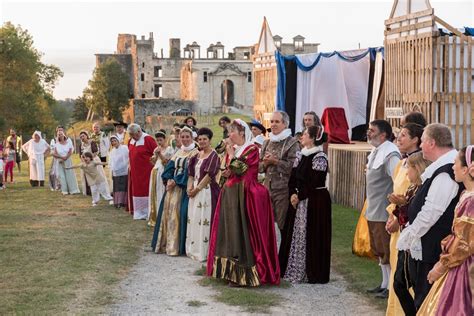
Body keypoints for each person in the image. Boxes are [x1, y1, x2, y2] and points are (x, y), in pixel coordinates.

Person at [396, 123, 463, 313]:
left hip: (434, 245)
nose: (422, 146)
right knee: (417, 296)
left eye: (423, 141)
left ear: (432, 143)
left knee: (426, 300)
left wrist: (409, 235)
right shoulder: (442, 167)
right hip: (427, 242)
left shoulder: (446, 171)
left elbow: (431, 212)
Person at [206, 119, 280, 286]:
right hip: (231, 194)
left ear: (241, 134)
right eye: (229, 132)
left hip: (246, 195)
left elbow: (241, 169)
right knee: (230, 232)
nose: (229, 135)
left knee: (243, 232)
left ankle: (243, 274)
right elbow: (229, 170)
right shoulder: (235, 149)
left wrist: (231, 156)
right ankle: (229, 272)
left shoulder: (251, 149)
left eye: (232, 132)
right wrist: (225, 170)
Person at [418, 145, 474, 316]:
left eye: (456, 163)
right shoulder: (466, 194)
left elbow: (463, 244)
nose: (452, 167)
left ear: (466, 169)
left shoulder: (471, 201)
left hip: (464, 267)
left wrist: (440, 267)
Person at [279, 125, 331, 284]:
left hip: (315, 201)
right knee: (295, 232)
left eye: (305, 134)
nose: (301, 137)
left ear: (313, 137)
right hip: (299, 199)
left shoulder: (320, 157)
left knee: (313, 234)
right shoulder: (301, 155)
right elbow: (293, 177)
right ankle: (294, 267)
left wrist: (299, 195)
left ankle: (312, 271)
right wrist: (293, 193)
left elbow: (315, 180)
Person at [384, 123, 424, 311]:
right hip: (397, 220)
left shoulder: (418, 164)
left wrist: (399, 212)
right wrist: (393, 215)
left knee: (406, 276)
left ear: (416, 139)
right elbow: (398, 192)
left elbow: (414, 196)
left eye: (404, 135)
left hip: (408, 225)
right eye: (398, 135)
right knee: (396, 272)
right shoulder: (402, 163)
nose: (398, 138)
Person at [365, 120, 401, 298]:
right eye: (369, 130)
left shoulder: (391, 154)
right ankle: (384, 283)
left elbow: (398, 181)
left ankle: (390, 287)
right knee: (379, 249)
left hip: (383, 210)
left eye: (372, 131)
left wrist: (394, 209)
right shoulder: (376, 151)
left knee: (386, 248)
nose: (368, 133)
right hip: (373, 208)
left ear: (383, 135)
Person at [151, 126, 199, 255]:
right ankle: (167, 244)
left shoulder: (195, 152)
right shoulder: (178, 151)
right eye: (182, 137)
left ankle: (178, 246)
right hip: (172, 188)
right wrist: (168, 179)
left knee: (180, 215)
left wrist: (176, 181)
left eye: (187, 137)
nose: (184, 139)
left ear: (192, 137)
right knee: (166, 214)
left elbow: (191, 172)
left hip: (184, 188)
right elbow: (169, 167)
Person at [259, 111, 299, 235]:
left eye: (277, 122)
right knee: (267, 225)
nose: (273, 124)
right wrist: (266, 163)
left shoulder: (292, 143)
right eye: (272, 121)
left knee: (283, 226)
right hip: (267, 189)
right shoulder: (266, 142)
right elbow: (258, 168)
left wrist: (275, 162)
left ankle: (283, 254)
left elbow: (294, 167)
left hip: (284, 190)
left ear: (285, 124)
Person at [186, 127, 221, 262]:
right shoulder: (195, 156)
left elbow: (209, 176)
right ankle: (193, 248)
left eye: (204, 139)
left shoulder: (213, 155)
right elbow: (191, 174)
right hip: (194, 190)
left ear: (210, 140)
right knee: (194, 218)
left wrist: (197, 189)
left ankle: (203, 251)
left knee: (203, 220)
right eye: (199, 139)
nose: (202, 142)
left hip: (206, 191)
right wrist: (190, 187)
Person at [127, 123, 157, 220]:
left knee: (146, 190)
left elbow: (157, 154)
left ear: (139, 131)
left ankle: (148, 212)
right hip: (135, 172)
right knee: (137, 190)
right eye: (130, 135)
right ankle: (138, 211)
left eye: (133, 135)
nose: (132, 137)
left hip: (147, 172)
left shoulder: (148, 139)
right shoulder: (130, 141)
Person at [148, 130, 173, 226]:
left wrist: (160, 155)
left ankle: (162, 215)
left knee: (161, 192)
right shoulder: (156, 149)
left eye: (161, 140)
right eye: (157, 140)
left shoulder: (169, 149)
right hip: (155, 171)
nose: (159, 142)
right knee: (154, 192)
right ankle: (154, 214)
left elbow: (167, 163)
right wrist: (153, 159)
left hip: (163, 172)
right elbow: (154, 162)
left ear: (165, 139)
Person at [108, 135, 129, 208]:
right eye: (112, 141)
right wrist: (112, 169)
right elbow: (110, 162)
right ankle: (119, 201)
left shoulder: (124, 148)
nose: (114, 142)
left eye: (115, 141)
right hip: (116, 172)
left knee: (124, 186)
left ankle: (125, 201)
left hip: (124, 170)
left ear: (118, 141)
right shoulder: (112, 151)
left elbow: (127, 158)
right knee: (117, 187)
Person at [78, 131, 99, 195]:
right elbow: (80, 155)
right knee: (86, 176)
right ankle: (89, 191)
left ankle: (97, 190)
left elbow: (95, 152)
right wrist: (84, 161)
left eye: (83, 136)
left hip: (93, 160)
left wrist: (90, 159)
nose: (82, 138)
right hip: (85, 162)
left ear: (87, 136)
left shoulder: (92, 142)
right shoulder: (81, 145)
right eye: (81, 137)